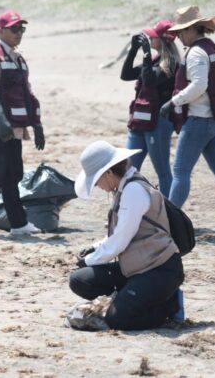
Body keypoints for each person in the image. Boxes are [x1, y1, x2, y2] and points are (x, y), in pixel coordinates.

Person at [69, 141, 184, 330]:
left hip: (159, 270)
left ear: (108, 173)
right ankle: (132, 298)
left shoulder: (133, 191)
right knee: (79, 280)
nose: (96, 185)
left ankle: (169, 307)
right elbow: (119, 234)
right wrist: (95, 248)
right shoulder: (125, 187)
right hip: (136, 266)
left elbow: (120, 242)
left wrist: (89, 260)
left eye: (96, 180)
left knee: (117, 320)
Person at [159, 6, 215, 236]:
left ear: (191, 29)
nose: (178, 36)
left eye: (180, 32)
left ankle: (168, 224)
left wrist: (173, 102)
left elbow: (199, 85)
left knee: (180, 171)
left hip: (201, 119)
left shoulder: (197, 53)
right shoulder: (212, 48)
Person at [0, 10, 45, 238]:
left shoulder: (18, 59)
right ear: (1, 30)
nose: (19, 33)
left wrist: (37, 125)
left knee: (14, 173)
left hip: (14, 127)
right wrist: (2, 124)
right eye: (14, 29)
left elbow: (27, 95)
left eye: (21, 29)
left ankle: (18, 223)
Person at [120, 19, 180, 196]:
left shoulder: (170, 63)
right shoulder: (154, 61)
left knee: (163, 172)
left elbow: (149, 80)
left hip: (158, 124)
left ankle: (169, 208)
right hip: (140, 122)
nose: (150, 39)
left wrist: (146, 55)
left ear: (162, 40)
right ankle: (125, 207)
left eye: (153, 37)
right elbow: (126, 75)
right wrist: (133, 50)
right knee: (128, 169)